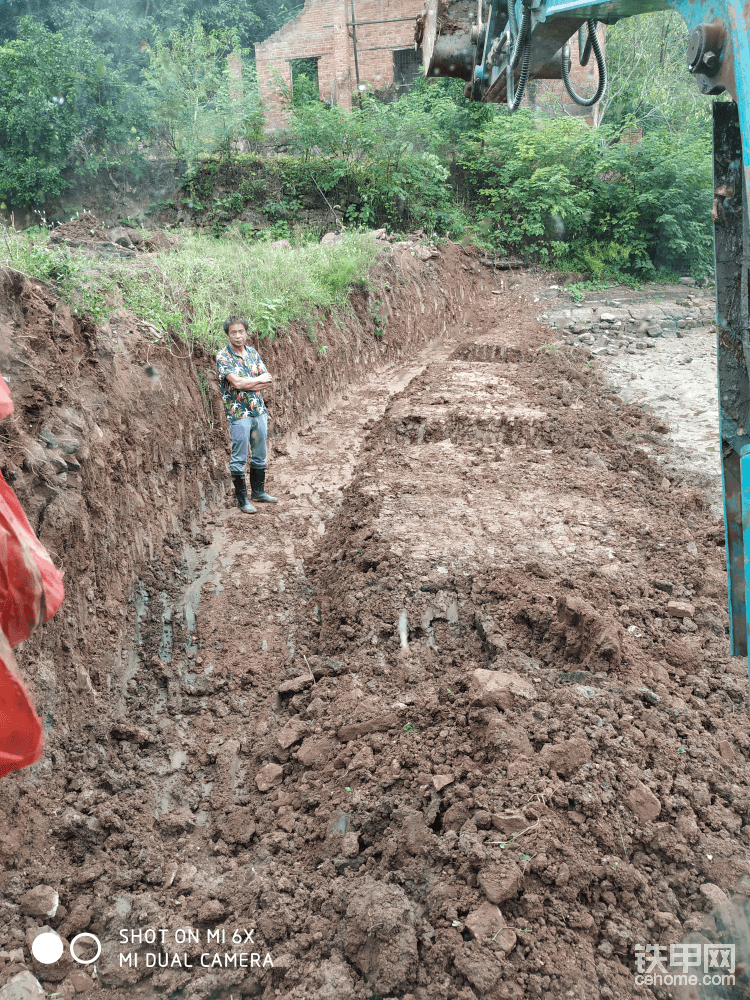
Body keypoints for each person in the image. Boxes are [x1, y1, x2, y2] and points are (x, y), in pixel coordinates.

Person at [215, 316, 277, 513]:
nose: (238, 335)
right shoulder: (223, 357)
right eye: (233, 332)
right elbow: (237, 384)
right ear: (228, 334)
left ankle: (258, 492)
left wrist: (248, 383)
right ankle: (242, 500)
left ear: (246, 332)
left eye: (241, 331)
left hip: (258, 411)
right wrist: (254, 381)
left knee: (259, 453)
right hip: (238, 413)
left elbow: (267, 381)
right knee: (239, 457)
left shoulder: (252, 353)